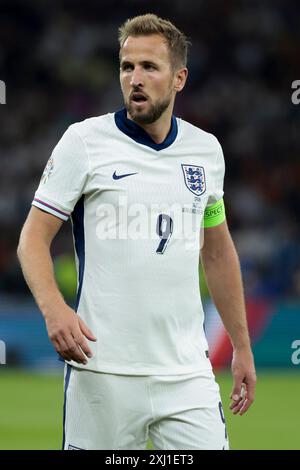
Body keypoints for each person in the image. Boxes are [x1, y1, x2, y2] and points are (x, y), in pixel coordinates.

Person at [17, 13, 256, 450]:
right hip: (103, 372)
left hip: (187, 374)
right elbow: (33, 237)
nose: (135, 78)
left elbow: (218, 253)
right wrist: (54, 310)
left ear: (179, 78)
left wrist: (241, 345)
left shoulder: (206, 151)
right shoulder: (83, 142)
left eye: (150, 67)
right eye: (127, 67)